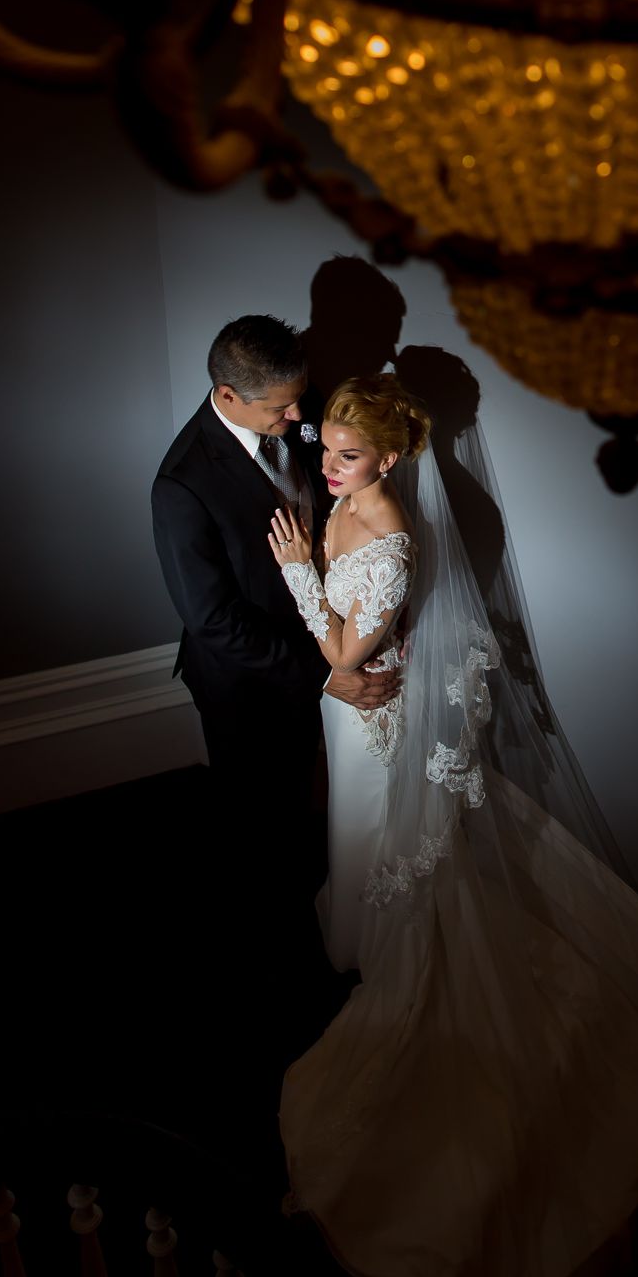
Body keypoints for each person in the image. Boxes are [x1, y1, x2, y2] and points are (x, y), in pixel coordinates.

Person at [266, 372, 638, 1277]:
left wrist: (299, 572)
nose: (325, 469)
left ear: (387, 459)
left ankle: (407, 970)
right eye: (324, 448)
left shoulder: (389, 539)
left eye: (344, 456)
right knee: (356, 851)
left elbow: (338, 652)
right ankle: (376, 943)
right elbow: (354, 662)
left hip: (369, 729)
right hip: (355, 720)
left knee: (386, 859)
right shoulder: (348, 507)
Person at [150, 318, 400, 1021]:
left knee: (304, 801)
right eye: (280, 410)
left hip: (321, 637)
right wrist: (324, 675)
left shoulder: (298, 402)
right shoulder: (182, 486)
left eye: (298, 400)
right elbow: (214, 622)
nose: (299, 419)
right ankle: (271, 981)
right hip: (247, 683)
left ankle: (322, 918)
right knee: (259, 826)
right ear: (227, 395)